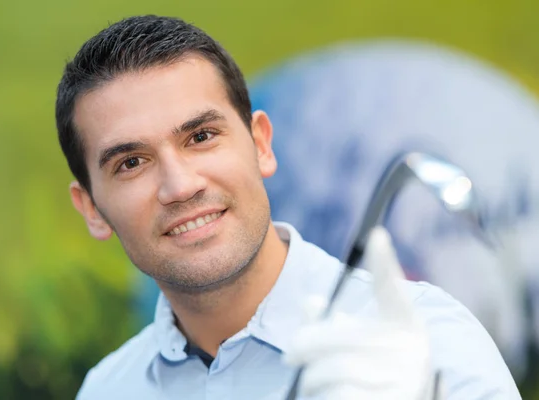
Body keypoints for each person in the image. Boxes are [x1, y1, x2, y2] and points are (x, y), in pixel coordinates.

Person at [55, 15, 521, 399]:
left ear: (261, 144)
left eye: (201, 137)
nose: (180, 185)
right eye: (132, 162)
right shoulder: (107, 389)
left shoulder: (431, 339)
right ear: (92, 208)